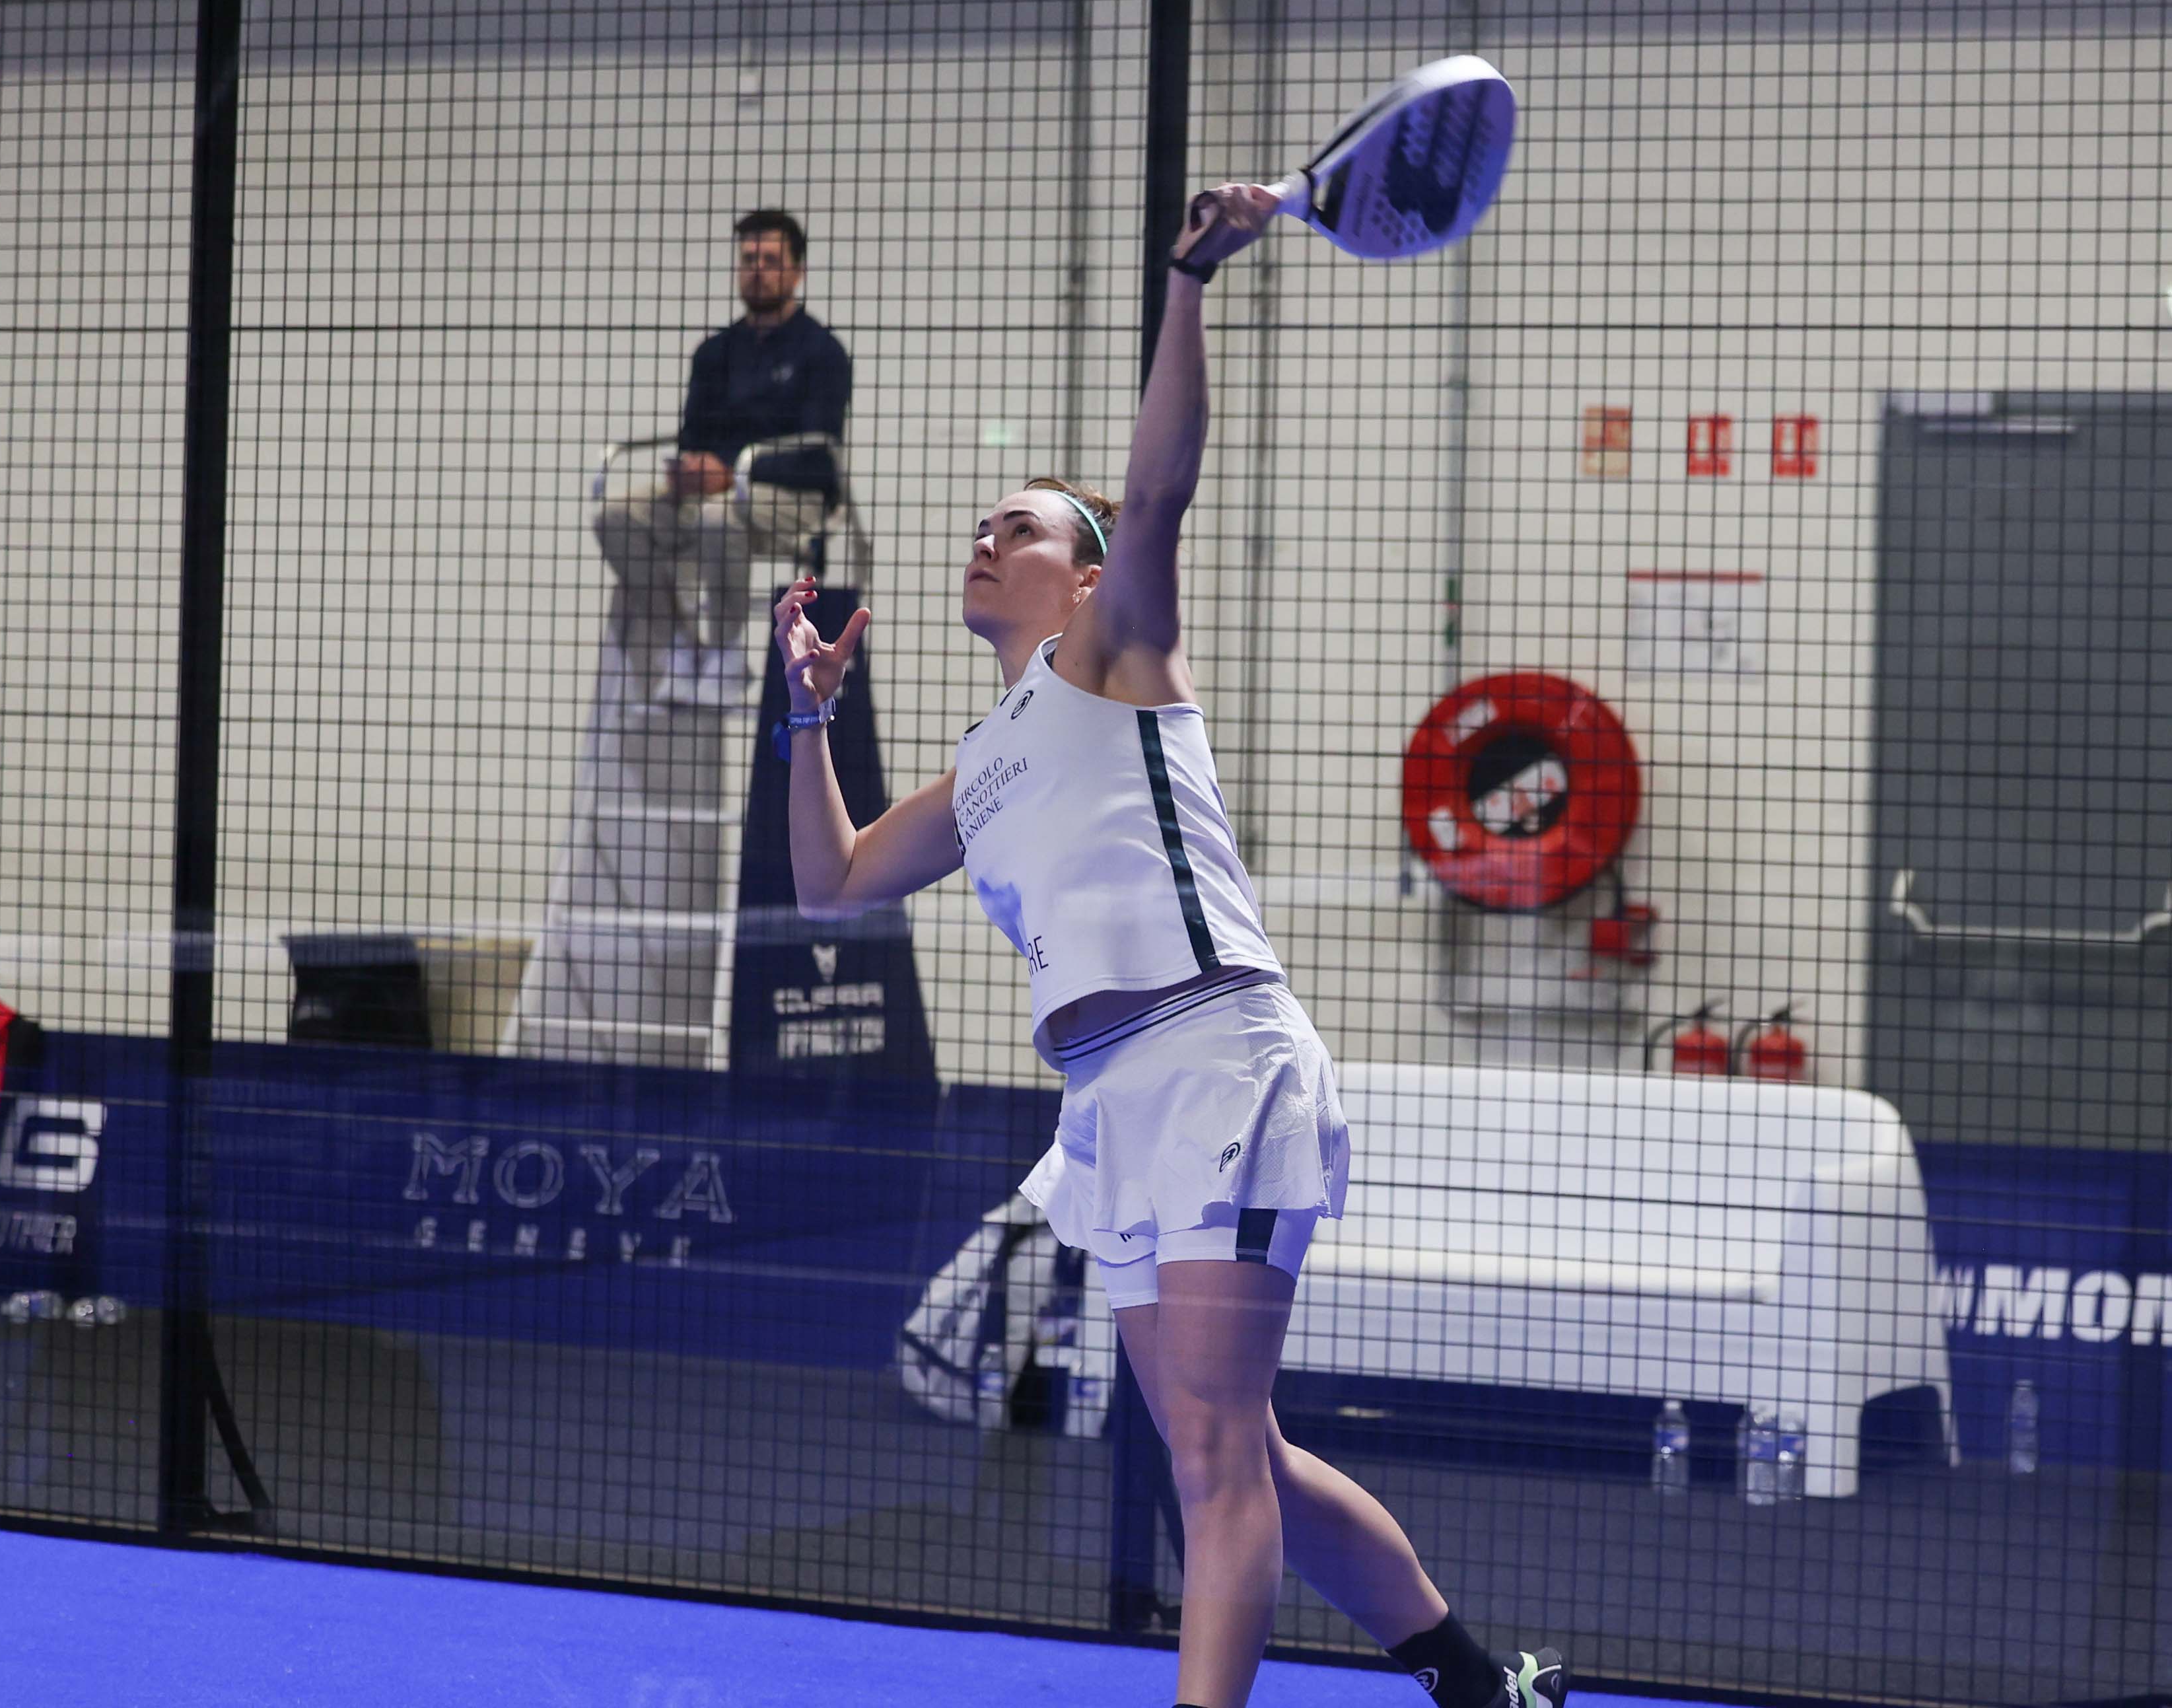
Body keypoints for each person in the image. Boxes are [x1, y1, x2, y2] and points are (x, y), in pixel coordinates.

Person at [771, 186, 1570, 1708]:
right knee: (1236, 1446)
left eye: (1020, 526)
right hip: (1110, 1103)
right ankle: (1483, 1687)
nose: (986, 536)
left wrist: (1189, 284)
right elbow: (832, 880)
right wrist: (807, 718)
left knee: (1211, 1455)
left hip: (1216, 1059)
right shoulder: (984, 759)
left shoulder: (1115, 652)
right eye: (981, 523)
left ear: (1085, 576)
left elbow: (1156, 488)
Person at [597, 209, 851, 705]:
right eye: (749, 259)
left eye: (771, 260)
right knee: (618, 516)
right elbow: (693, 436)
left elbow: (820, 459)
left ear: (797, 271)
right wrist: (690, 470)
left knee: (719, 515)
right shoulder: (714, 353)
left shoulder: (822, 353)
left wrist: (732, 473)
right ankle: (681, 644)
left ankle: (727, 653)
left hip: (791, 497)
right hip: (718, 490)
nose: (757, 270)